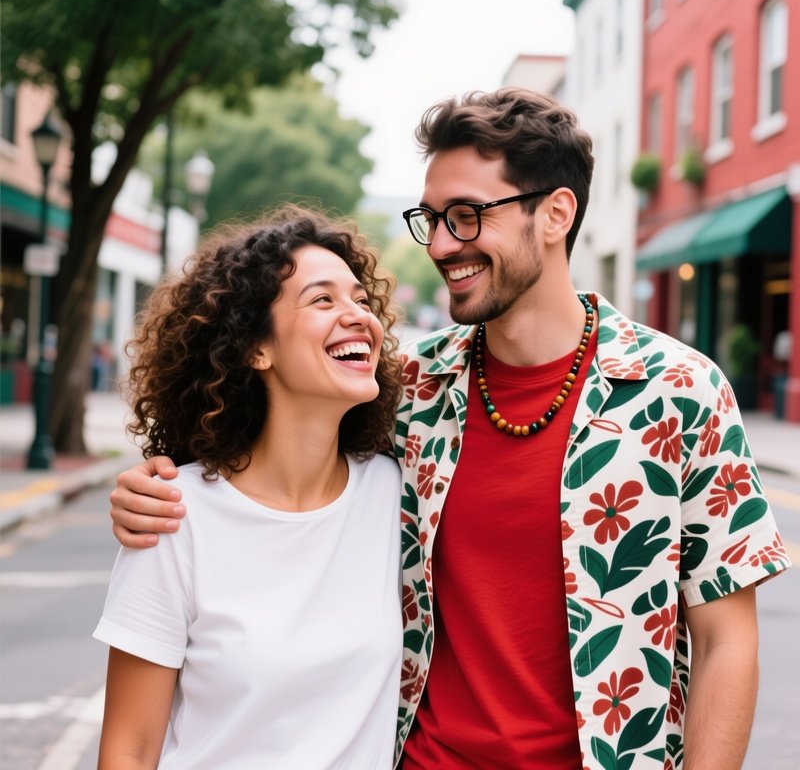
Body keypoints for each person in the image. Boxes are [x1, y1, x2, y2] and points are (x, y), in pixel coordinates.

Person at [109, 89, 791, 770]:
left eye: (466, 217)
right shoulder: (408, 390)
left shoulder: (682, 393)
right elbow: (276, 446)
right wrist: (153, 485)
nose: (440, 245)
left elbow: (726, 642)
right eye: (430, 220)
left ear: (556, 214)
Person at [95, 205, 405, 768]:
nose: (358, 316)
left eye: (362, 300)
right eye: (323, 300)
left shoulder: (398, 493)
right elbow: (129, 751)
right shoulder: (173, 516)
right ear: (255, 348)